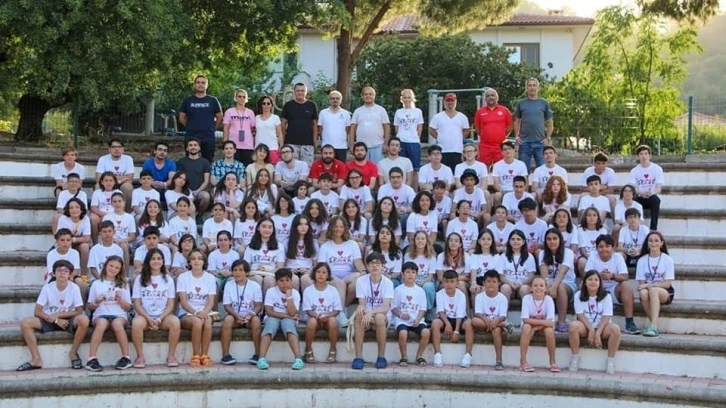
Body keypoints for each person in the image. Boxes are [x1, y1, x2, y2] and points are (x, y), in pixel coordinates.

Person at [16, 260, 89, 371]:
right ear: (54, 273)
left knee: (84, 320)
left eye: (66, 271)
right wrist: (55, 320)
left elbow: (79, 311)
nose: (62, 273)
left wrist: (59, 315)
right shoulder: (47, 288)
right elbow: (37, 311)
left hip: (68, 319)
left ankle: (73, 353)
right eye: (59, 270)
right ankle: (36, 359)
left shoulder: (74, 287)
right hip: (50, 319)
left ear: (70, 275)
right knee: (25, 323)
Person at [131, 249, 181, 368]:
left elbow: (170, 305)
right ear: (147, 261)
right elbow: (137, 304)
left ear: (163, 261)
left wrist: (159, 319)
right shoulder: (139, 279)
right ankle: (140, 357)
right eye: (153, 259)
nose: (156, 261)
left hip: (163, 316)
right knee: (136, 323)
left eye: (159, 258)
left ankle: (171, 356)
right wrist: (149, 319)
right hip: (145, 316)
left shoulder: (168, 279)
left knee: (175, 322)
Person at [85, 255, 132, 371]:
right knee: (101, 323)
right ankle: (91, 359)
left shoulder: (124, 284)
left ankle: (126, 357)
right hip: (100, 314)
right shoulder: (97, 283)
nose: (113, 269)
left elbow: (128, 308)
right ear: (105, 266)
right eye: (111, 265)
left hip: (119, 315)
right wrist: (97, 301)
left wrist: (120, 300)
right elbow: (89, 307)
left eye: (117, 267)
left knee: (117, 324)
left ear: (120, 270)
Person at [569, 270, 622, 374]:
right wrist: (591, 330)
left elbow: (606, 317)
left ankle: (610, 361)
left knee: (615, 329)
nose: (593, 282)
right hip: (586, 326)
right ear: (585, 282)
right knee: (573, 326)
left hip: (603, 327)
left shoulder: (606, 296)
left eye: (596, 280)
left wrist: (597, 333)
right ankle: (575, 358)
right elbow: (580, 315)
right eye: (590, 279)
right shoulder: (578, 295)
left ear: (600, 283)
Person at [587, 234, 640, 335]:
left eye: (607, 246)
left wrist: (612, 276)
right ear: (596, 248)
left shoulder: (618, 257)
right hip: (596, 289)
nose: (604, 249)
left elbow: (625, 276)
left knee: (626, 286)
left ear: (612, 247)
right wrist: (599, 276)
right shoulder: (593, 256)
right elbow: (586, 275)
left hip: (613, 289)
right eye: (601, 246)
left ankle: (629, 322)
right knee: (583, 284)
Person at [317, 216, 365, 323]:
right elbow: (322, 266)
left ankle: (341, 308)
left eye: (341, 227)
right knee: (340, 284)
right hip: (331, 275)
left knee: (358, 278)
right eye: (336, 226)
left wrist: (364, 272)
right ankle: (341, 313)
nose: (338, 229)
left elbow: (358, 263)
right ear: (331, 228)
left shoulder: (352, 244)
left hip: (348, 274)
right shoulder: (325, 246)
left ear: (345, 229)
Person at [351, 252, 394, 370]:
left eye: (378, 263)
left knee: (379, 318)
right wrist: (362, 309)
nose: (374, 266)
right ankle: (358, 357)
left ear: (383, 266)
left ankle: (381, 356)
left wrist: (371, 312)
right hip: (367, 315)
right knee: (359, 316)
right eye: (371, 263)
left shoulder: (388, 283)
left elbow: (385, 308)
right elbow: (362, 303)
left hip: (381, 315)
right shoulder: (361, 281)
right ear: (367, 266)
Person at [257, 268, 304, 370]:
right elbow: (269, 311)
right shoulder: (271, 291)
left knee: (288, 325)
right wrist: (288, 316)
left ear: (291, 281)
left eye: (287, 280)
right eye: (281, 281)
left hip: (288, 319)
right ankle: (261, 358)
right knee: (270, 326)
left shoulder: (295, 293)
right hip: (272, 317)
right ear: (276, 282)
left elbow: (293, 313)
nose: (285, 283)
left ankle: (298, 359)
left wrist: (289, 296)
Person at [177, 249, 217, 367]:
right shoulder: (183, 277)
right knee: (197, 322)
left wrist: (204, 312)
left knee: (207, 321)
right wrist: (196, 312)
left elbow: (211, 302)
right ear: (189, 262)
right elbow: (183, 302)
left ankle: (204, 354)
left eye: (199, 258)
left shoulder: (210, 278)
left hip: (204, 312)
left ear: (204, 261)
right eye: (193, 259)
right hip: (187, 313)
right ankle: (195, 355)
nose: (196, 261)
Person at [221, 260, 263, 365]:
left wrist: (251, 315)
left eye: (241, 270)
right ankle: (225, 355)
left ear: (247, 272)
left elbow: (258, 305)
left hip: (250, 317)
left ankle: (258, 354)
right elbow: (227, 306)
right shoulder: (229, 285)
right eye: (235, 270)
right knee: (228, 320)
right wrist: (236, 315)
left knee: (256, 321)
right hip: (235, 317)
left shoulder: (255, 285)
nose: (237, 273)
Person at [431, 269, 475, 368]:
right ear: (443, 282)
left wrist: (456, 331)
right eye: (446, 281)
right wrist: (447, 324)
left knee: (469, 324)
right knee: (435, 323)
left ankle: (468, 354)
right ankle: (437, 353)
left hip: (458, 319)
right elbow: (441, 311)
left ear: (457, 282)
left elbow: (460, 314)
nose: (449, 284)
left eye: (452, 281)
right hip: (445, 319)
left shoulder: (461, 295)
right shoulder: (439, 294)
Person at [636, 231, 675, 337]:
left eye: (656, 241)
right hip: (648, 290)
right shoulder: (642, 260)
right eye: (650, 241)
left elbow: (667, 284)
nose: (653, 243)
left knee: (653, 290)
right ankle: (654, 326)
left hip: (665, 291)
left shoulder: (667, 259)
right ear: (647, 243)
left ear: (662, 243)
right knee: (643, 293)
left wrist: (650, 285)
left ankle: (653, 326)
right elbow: (641, 285)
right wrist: (647, 286)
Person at [302, 262, 342, 364]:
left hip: (328, 319)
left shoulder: (333, 290)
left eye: (324, 272)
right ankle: (308, 349)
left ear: (328, 275)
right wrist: (318, 316)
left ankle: (333, 350)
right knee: (311, 322)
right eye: (318, 272)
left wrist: (327, 315)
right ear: (314, 273)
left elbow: (337, 310)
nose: (321, 275)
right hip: (315, 319)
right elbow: (308, 310)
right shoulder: (308, 290)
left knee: (333, 321)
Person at [470, 270, 510, 370]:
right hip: (484, 322)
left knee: (496, 330)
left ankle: (499, 361)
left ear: (499, 284)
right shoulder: (479, 297)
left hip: (497, 322)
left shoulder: (502, 298)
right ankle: (504, 325)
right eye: (488, 281)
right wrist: (487, 320)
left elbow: (503, 316)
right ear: (483, 283)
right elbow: (477, 313)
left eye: (494, 282)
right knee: (474, 321)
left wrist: (496, 322)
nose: (491, 284)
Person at [538, 228, 576, 333]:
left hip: (568, 285)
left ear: (560, 240)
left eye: (555, 238)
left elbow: (562, 273)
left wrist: (554, 287)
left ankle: (561, 322)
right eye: (549, 239)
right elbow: (544, 275)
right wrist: (548, 286)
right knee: (538, 286)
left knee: (560, 286)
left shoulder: (568, 252)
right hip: (549, 285)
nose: (552, 241)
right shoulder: (542, 253)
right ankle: (541, 320)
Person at [392, 263, 430, 367]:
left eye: (413, 272)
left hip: (416, 319)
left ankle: (419, 356)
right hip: (402, 320)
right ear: (402, 274)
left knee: (426, 332)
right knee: (403, 333)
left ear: (416, 274)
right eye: (408, 272)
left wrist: (418, 319)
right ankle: (404, 357)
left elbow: (423, 309)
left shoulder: (420, 291)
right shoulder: (398, 290)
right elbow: (393, 307)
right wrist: (401, 314)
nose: (410, 274)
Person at [179, 75, 223, 162]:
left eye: (203, 83)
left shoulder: (213, 100)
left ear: (206, 85)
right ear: (194, 85)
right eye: (198, 82)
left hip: (208, 137)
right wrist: (190, 126)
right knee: (190, 161)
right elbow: (181, 118)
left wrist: (213, 128)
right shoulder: (188, 100)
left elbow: (220, 117)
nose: (200, 84)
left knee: (207, 162)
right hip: (191, 136)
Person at [519, 275, 558, 373]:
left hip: (542, 327)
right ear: (531, 288)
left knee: (549, 331)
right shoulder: (526, 298)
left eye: (541, 285)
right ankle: (523, 361)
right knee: (527, 327)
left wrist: (535, 329)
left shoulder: (548, 300)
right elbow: (526, 320)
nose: (538, 288)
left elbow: (551, 323)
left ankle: (552, 361)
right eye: (535, 285)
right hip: (530, 325)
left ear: (546, 288)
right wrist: (542, 323)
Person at [513, 78, 553, 170]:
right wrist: (516, 136)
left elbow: (550, 122)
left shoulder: (544, 103)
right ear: (526, 88)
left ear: (538, 88)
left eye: (534, 85)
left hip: (540, 142)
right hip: (524, 143)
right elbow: (516, 121)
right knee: (523, 171)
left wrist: (548, 138)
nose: (532, 87)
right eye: (530, 85)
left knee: (543, 170)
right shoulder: (520, 103)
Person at [428, 93, 470, 170]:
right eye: (448, 101)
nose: (450, 103)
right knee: (443, 172)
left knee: (457, 172)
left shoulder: (462, 117)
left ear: (456, 101)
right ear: (444, 102)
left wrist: (459, 137)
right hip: (442, 150)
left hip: (457, 150)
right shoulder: (437, 117)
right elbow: (431, 130)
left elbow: (467, 130)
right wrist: (440, 137)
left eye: (452, 100)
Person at [243, 217, 286, 292]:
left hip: (271, 273)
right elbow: (246, 267)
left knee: (269, 279)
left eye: (270, 227)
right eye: (264, 226)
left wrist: (267, 269)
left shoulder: (279, 246)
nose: (267, 230)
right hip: (254, 273)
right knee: (257, 278)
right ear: (258, 228)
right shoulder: (250, 246)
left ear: (273, 230)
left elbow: (280, 268)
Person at [55, 199, 92, 284]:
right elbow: (61, 236)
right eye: (71, 208)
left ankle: (84, 275)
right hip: (65, 242)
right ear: (68, 210)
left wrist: (73, 239)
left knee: (85, 247)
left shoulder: (85, 219)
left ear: (81, 209)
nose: (74, 210)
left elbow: (87, 238)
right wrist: (70, 240)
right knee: (65, 244)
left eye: (77, 207)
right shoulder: (63, 219)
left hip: (77, 243)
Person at [349, 86, 390, 163]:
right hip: (361, 147)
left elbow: (386, 127)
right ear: (362, 96)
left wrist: (386, 144)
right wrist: (351, 145)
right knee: (361, 169)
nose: (368, 96)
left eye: (370, 94)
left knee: (377, 168)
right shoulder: (357, 111)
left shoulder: (381, 110)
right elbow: (352, 129)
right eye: (365, 94)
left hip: (378, 146)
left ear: (374, 96)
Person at [474, 88, 513, 166]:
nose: (490, 97)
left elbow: (510, 126)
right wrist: (485, 135)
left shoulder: (505, 110)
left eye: (492, 95)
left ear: (497, 97)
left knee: (501, 167)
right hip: (485, 146)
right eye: (488, 96)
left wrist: (503, 135)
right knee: (483, 168)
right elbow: (477, 128)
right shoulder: (480, 112)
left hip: (500, 145)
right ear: (485, 98)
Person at [281, 83, 319, 163]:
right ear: (294, 92)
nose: (300, 93)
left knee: (307, 168)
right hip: (291, 143)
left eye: (302, 91)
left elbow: (315, 125)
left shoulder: (312, 105)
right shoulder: (288, 105)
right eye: (298, 91)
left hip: (308, 144)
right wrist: (282, 141)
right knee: (291, 167)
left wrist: (315, 142)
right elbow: (283, 124)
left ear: (306, 92)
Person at [403, 232, 438, 319]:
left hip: (426, 279)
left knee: (428, 287)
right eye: (418, 238)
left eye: (423, 239)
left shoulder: (431, 257)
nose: (420, 241)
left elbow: (430, 276)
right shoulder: (408, 256)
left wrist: (423, 281)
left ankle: (428, 311)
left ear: (426, 241)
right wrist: (414, 281)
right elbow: (407, 272)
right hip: (411, 278)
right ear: (414, 241)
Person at [630, 145, 664, 230]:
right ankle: (635, 227)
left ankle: (653, 228)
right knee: (633, 201)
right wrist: (641, 193)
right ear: (638, 156)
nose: (644, 156)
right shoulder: (634, 171)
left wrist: (651, 193)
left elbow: (658, 188)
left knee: (655, 200)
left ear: (650, 155)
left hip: (652, 196)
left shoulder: (657, 169)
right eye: (641, 154)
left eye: (646, 153)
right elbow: (632, 188)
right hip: (640, 196)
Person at [393, 89, 424, 182]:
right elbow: (396, 127)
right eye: (405, 97)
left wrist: (416, 137)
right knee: (402, 168)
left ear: (412, 98)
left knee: (415, 169)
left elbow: (420, 127)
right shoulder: (398, 112)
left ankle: (414, 189)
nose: (407, 99)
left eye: (409, 97)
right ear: (402, 99)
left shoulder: (418, 111)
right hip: (401, 142)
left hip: (414, 142)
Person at [96, 138, 134, 212]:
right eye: (113, 147)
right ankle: (101, 211)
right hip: (108, 184)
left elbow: (129, 177)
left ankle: (127, 213)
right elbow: (98, 178)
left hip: (122, 184)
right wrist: (120, 178)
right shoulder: (103, 159)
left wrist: (111, 178)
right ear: (109, 149)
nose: (117, 149)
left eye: (119, 147)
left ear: (123, 149)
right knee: (98, 186)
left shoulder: (128, 159)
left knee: (128, 187)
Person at [176, 138, 212, 217]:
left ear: (199, 148)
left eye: (195, 145)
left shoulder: (205, 162)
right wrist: (187, 191)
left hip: (199, 191)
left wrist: (197, 191)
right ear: (187, 148)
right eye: (190, 145)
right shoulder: (181, 162)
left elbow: (206, 181)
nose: (193, 147)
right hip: (184, 190)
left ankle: (199, 215)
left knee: (206, 196)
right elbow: (178, 179)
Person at [436, 233, 472, 305]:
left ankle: (466, 311)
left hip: (462, 282)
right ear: (448, 243)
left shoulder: (466, 256)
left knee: (461, 284)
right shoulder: (441, 256)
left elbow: (467, 276)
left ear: (460, 244)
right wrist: (455, 279)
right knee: (456, 284)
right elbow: (440, 277)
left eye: (456, 241)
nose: (453, 243)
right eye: (451, 240)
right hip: (445, 282)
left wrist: (453, 279)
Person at [500, 229, 536, 301]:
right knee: (505, 288)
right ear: (509, 241)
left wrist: (520, 283)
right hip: (509, 286)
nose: (515, 241)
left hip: (523, 285)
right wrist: (510, 283)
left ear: (523, 242)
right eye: (513, 239)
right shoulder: (503, 256)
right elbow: (501, 276)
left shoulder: (529, 256)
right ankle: (504, 309)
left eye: (518, 239)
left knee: (525, 288)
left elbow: (531, 276)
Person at [223, 89, 256, 165]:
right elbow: (226, 128)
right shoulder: (229, 111)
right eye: (239, 96)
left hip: (247, 145)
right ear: (235, 98)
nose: (241, 98)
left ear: (246, 99)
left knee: (246, 167)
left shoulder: (250, 112)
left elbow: (252, 128)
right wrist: (225, 143)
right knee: (233, 167)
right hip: (233, 145)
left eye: (244, 97)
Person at [287, 214, 319, 293]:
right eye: (300, 224)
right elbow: (281, 263)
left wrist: (310, 270)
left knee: (306, 279)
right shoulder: (286, 242)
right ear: (295, 226)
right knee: (293, 279)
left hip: (307, 271)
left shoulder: (313, 242)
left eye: (306, 224)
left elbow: (316, 264)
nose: (304, 227)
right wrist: (288, 270)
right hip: (291, 270)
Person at [469, 229, 503, 301]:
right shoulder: (474, 256)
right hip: (479, 280)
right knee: (475, 289)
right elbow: (473, 270)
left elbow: (499, 274)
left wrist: (487, 286)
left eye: (488, 239)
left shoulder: (497, 256)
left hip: (492, 281)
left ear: (492, 241)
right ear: (479, 241)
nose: (486, 241)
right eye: (483, 239)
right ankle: (476, 309)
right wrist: (474, 283)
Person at [492, 141, 529, 206]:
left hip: (517, 189)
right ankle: (499, 211)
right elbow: (496, 183)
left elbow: (525, 181)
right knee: (497, 195)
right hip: (503, 191)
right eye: (505, 149)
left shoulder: (521, 164)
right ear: (502, 152)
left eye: (509, 149)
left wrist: (518, 190)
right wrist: (502, 191)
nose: (507, 151)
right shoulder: (497, 165)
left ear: (514, 151)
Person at [318, 90, 351, 162]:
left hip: (341, 146)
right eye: (332, 98)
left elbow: (348, 129)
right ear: (329, 100)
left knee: (341, 167)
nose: (335, 100)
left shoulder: (346, 113)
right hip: (326, 146)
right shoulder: (323, 113)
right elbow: (320, 129)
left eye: (337, 98)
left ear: (340, 100)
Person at [52, 172, 87, 239]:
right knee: (56, 217)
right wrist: (70, 214)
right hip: (66, 214)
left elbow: (84, 209)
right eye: (71, 181)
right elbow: (59, 209)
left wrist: (75, 214)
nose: (74, 183)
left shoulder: (83, 194)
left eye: (76, 182)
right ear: (67, 183)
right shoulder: (62, 193)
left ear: (79, 184)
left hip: (78, 215)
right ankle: (57, 239)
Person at [576, 208, 609, 276]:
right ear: (585, 217)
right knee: (582, 262)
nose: (592, 217)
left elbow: (604, 247)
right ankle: (585, 280)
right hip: (586, 256)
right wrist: (591, 259)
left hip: (600, 255)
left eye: (594, 215)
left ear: (598, 217)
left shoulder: (603, 230)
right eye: (589, 215)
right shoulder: (580, 230)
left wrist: (598, 258)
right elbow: (582, 250)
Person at [255, 95, 284, 164]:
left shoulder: (275, 118)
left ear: (271, 105)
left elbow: (280, 134)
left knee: (272, 168)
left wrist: (281, 146)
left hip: (272, 148)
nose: (266, 105)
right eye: (264, 103)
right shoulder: (256, 118)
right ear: (261, 105)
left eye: (268, 103)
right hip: (259, 148)